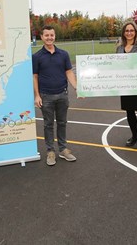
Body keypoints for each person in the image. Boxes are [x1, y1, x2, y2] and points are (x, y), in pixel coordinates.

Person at [33, 25, 78, 166]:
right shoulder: (37, 57)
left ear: (55, 36)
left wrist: (76, 87)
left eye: (51, 35)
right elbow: (34, 77)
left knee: (62, 123)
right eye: (46, 35)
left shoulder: (63, 54)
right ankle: (50, 151)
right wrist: (37, 95)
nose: (49, 38)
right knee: (48, 125)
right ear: (42, 37)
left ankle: (63, 149)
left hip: (62, 95)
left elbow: (69, 72)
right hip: (46, 97)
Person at [116, 21, 137, 149]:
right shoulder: (119, 48)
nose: (129, 33)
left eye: (132, 30)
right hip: (125, 86)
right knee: (129, 112)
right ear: (123, 33)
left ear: (135, 32)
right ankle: (134, 136)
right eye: (127, 31)